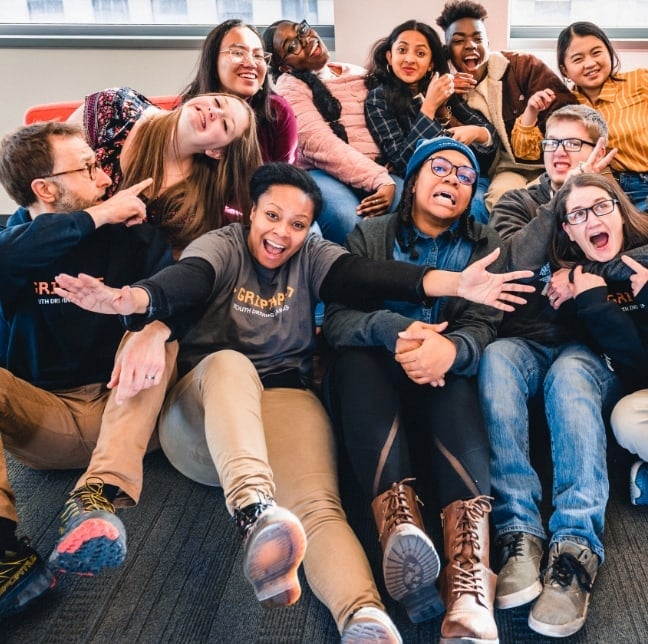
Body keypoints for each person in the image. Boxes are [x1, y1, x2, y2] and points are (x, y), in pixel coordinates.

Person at [54, 162, 533, 642]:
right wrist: (136, 301)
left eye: (298, 224)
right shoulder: (221, 245)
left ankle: (362, 615)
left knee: (319, 508)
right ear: (251, 214)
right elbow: (187, 280)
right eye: (272, 216)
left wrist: (455, 284)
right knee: (229, 365)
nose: (282, 233)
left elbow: (368, 276)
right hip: (202, 422)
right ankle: (253, 510)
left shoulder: (313, 256)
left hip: (280, 396)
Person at [322, 138, 533, 644]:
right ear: (413, 180)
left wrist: (451, 351)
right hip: (373, 383)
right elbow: (337, 320)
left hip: (443, 386)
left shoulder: (486, 245)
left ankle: (467, 582)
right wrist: (397, 330)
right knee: (353, 358)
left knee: (459, 376)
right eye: (440, 168)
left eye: (465, 177)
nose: (453, 181)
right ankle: (401, 530)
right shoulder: (369, 234)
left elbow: (484, 326)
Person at [0, 121, 177, 620]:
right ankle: (5, 553)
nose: (105, 178)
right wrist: (98, 215)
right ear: (45, 189)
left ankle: (96, 496)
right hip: (45, 424)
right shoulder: (12, 241)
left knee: (159, 332)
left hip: (127, 412)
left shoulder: (134, 236)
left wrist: (152, 328)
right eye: (89, 167)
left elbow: (180, 295)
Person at [479, 105, 624, 637]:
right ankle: (518, 531)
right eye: (551, 143)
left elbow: (638, 257)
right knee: (493, 361)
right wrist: (561, 200)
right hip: (526, 341)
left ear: (598, 151)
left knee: (570, 379)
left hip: (588, 349)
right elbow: (507, 264)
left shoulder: (613, 197)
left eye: (574, 144)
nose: (560, 153)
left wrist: (583, 272)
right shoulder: (519, 199)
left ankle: (575, 546)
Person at [549, 173, 648, 508]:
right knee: (627, 418)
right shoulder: (576, 290)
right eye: (578, 214)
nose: (592, 219)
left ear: (621, 211)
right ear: (569, 231)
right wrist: (594, 303)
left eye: (601, 206)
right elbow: (635, 368)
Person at [67, 87, 262, 256]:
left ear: (216, 152)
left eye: (225, 124)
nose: (214, 112)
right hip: (57, 238)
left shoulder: (190, 210)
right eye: (217, 102)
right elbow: (49, 163)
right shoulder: (116, 105)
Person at [263, 19, 402, 245]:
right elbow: (321, 144)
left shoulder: (356, 72)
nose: (306, 40)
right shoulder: (289, 87)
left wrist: (395, 158)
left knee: (412, 204)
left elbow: (389, 118)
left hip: (378, 169)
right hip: (324, 173)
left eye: (302, 30)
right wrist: (379, 178)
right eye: (292, 46)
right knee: (346, 218)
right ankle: (361, 278)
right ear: (285, 67)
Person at [436, 0, 576, 212]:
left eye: (478, 38)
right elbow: (477, 158)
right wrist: (446, 99)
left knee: (553, 201)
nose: (470, 45)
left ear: (489, 45)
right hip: (506, 170)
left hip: (550, 162)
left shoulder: (522, 66)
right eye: (458, 40)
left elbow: (568, 114)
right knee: (501, 203)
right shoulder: (451, 95)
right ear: (447, 52)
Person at [364, 19, 498, 223]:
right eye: (402, 50)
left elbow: (491, 138)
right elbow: (402, 163)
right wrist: (428, 108)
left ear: (431, 64)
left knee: (475, 210)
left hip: (463, 175)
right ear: (389, 57)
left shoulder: (442, 88)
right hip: (420, 181)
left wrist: (478, 133)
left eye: (420, 53)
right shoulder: (378, 98)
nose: (409, 59)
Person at [555, 21, 648, 211]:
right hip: (610, 192)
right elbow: (528, 151)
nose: (590, 63)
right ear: (565, 69)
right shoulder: (567, 106)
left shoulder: (640, 80)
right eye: (578, 59)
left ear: (609, 52)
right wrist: (531, 113)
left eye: (596, 52)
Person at [180, 18, 297, 164]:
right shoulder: (191, 111)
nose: (251, 63)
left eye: (258, 56)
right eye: (238, 53)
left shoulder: (278, 111)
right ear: (213, 61)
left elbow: (286, 178)